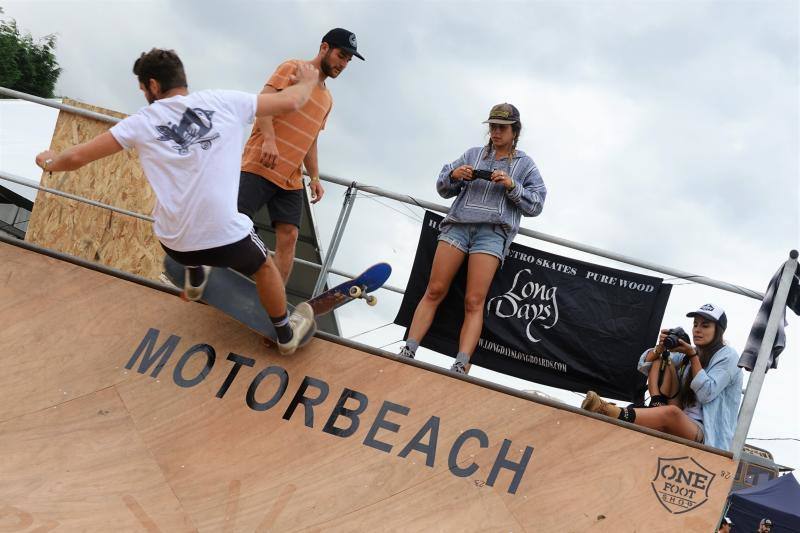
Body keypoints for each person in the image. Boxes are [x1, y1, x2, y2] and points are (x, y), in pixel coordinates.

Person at [34, 48, 318, 355]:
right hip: (226, 240)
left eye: (143, 89)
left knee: (184, 224)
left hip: (174, 244)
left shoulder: (141, 122)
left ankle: (195, 278)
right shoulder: (225, 101)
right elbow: (292, 102)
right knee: (264, 266)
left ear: (153, 86)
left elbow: (76, 157)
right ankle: (285, 335)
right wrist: (306, 82)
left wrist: (48, 161)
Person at [398, 103, 547, 374]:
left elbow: (537, 204)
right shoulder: (472, 154)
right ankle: (408, 349)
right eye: (493, 127)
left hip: (492, 234)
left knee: (474, 301)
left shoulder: (526, 164)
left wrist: (512, 185)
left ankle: (461, 363)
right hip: (457, 227)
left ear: (515, 131)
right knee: (434, 289)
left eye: (502, 128)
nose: (496, 132)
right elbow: (443, 187)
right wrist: (454, 175)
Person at [238, 28, 364, 283]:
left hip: (291, 178)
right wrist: (269, 140)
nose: (343, 64)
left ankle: (273, 296)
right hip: (261, 163)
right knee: (236, 223)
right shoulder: (292, 67)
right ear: (324, 48)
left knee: (290, 236)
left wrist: (315, 177)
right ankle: (204, 273)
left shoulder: (327, 99)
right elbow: (263, 103)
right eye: (341, 56)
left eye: (348, 60)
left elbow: (311, 139)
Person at [582, 303, 743, 450]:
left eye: (705, 326)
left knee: (671, 413)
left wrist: (692, 356)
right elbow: (644, 364)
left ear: (718, 330)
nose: (697, 330)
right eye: (695, 325)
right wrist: (660, 348)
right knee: (662, 359)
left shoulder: (728, 356)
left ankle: (611, 411)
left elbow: (706, 393)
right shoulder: (692, 351)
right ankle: (656, 405)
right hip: (679, 413)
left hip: (706, 434)